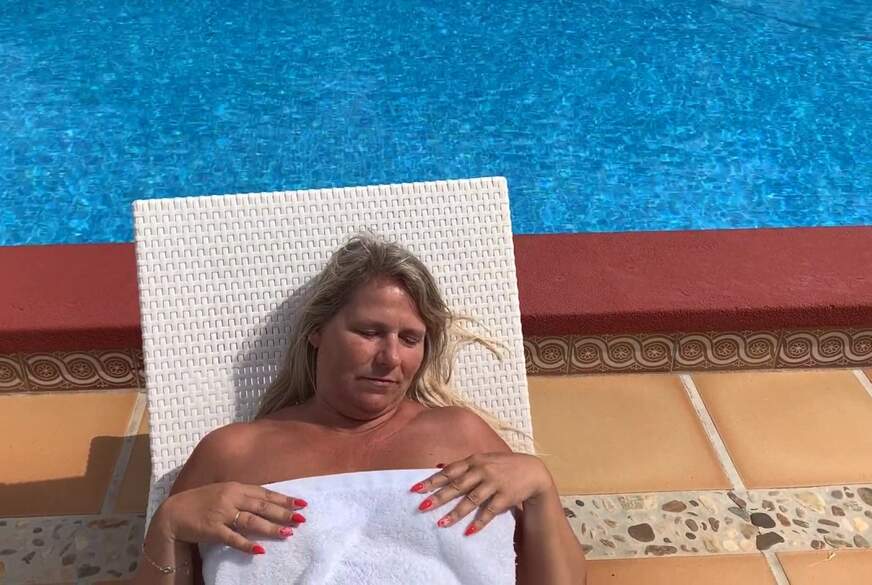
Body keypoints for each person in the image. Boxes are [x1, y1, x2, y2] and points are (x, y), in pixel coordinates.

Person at [131, 233, 587, 584]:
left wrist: (540, 489)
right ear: (317, 332)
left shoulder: (460, 434)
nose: (391, 357)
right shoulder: (233, 451)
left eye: (410, 339)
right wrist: (168, 527)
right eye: (369, 332)